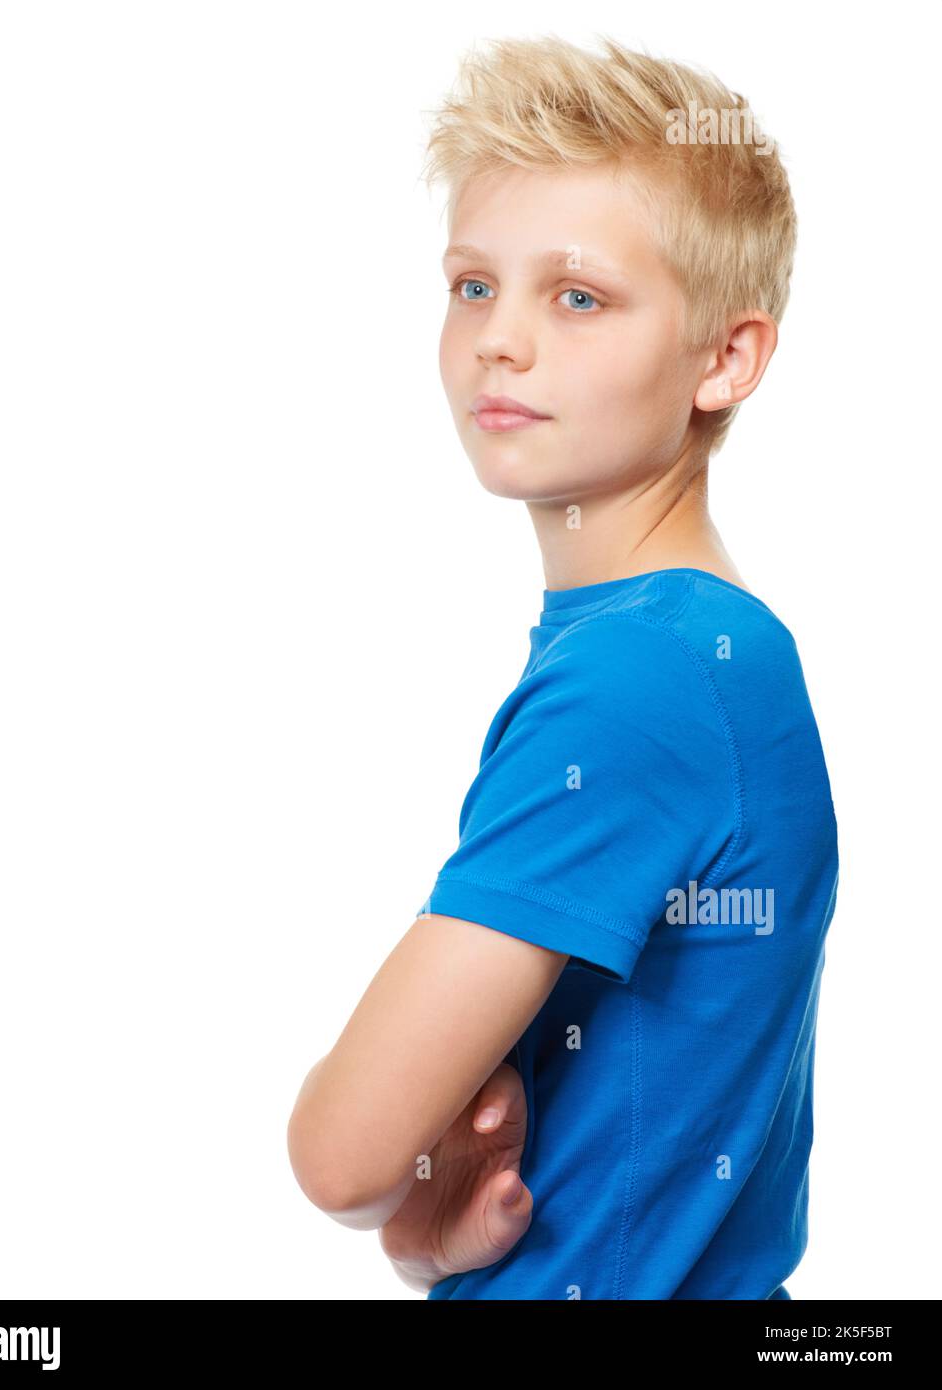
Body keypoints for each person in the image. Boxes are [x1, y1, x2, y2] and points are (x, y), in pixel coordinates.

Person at [287, 33, 839, 1300]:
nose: (501, 341)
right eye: (473, 285)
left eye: (576, 296)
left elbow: (339, 1151)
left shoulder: (641, 682)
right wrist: (425, 1214)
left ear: (726, 358)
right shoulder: (702, 656)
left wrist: (396, 1186)